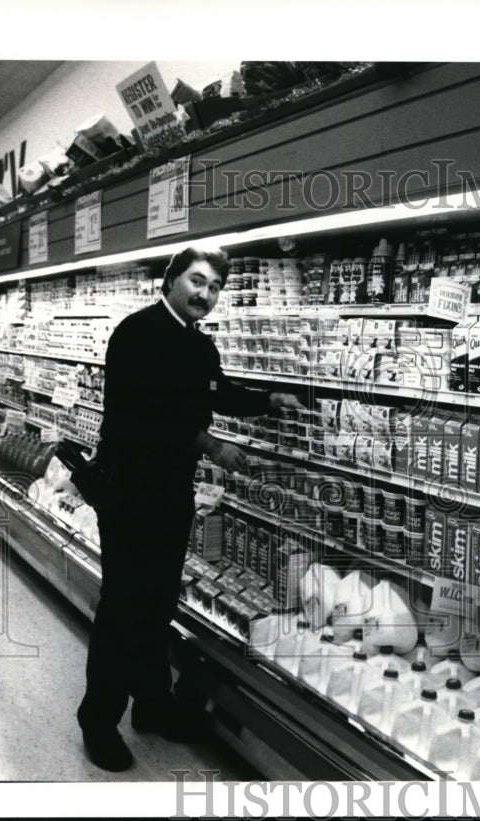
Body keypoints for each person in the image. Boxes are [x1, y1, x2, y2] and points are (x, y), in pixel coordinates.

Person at [76, 247, 303, 771]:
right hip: (129, 493)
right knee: (122, 608)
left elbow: (216, 392)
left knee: (157, 605)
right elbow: (139, 415)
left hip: (170, 494)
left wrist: (268, 400)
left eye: (215, 286)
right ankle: (98, 720)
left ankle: (152, 707)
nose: (205, 293)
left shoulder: (199, 346)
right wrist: (210, 445)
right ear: (171, 279)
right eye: (196, 281)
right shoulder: (137, 333)